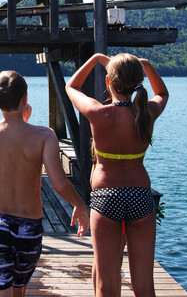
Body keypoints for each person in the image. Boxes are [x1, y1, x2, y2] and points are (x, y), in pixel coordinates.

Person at [0, 71, 90, 295]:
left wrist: (20, 121)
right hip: (28, 229)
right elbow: (60, 184)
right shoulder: (44, 136)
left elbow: (9, 135)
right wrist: (79, 204)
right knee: (20, 290)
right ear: (24, 99)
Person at [65, 53, 168, 297]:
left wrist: (95, 58)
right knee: (144, 286)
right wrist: (146, 64)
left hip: (106, 198)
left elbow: (72, 86)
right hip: (141, 198)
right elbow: (162, 93)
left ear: (109, 82)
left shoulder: (99, 113)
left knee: (107, 287)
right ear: (137, 82)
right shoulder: (147, 112)